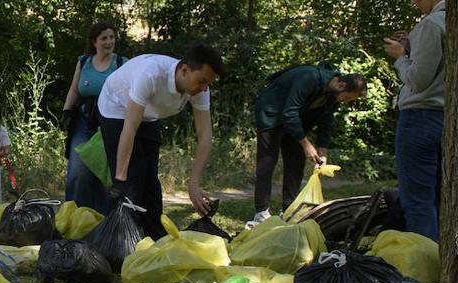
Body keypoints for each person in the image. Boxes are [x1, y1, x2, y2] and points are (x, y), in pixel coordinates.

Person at [98, 44, 223, 239]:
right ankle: (125, 237)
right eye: (202, 81)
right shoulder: (150, 75)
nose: (204, 88)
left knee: (151, 179)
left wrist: (194, 184)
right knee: (135, 174)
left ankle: (154, 235)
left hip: (149, 114)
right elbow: (129, 129)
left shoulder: (200, 89)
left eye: (208, 83)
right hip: (115, 107)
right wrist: (120, 180)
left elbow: (205, 135)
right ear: (184, 70)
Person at [250, 64, 368, 224]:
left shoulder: (333, 95)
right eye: (346, 97)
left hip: (294, 120)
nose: (344, 101)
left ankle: (289, 209)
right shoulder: (309, 78)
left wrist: (323, 155)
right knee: (267, 162)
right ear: (341, 84)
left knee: (296, 160)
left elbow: (326, 124)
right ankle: (261, 212)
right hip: (271, 113)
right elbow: (289, 112)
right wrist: (306, 144)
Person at [384, 0, 448, 240]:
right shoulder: (448, 23)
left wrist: (401, 57)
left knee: (417, 201)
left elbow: (418, 79)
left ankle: (423, 274)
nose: (412, 0)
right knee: (438, 198)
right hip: (445, 119)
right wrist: (413, 46)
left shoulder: (432, 24)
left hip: (420, 118)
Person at [60, 21, 126, 212]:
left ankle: (103, 219)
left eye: (112, 37)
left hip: (111, 123)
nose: (109, 42)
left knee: (104, 172)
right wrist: (66, 112)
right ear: (94, 42)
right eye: (104, 38)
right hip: (84, 121)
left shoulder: (122, 63)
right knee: (77, 171)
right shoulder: (84, 62)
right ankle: (75, 216)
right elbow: (74, 90)